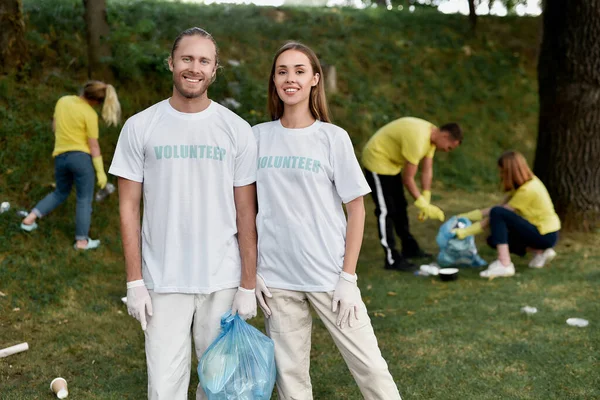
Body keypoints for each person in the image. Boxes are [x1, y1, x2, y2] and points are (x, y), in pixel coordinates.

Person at [108, 27, 258, 400]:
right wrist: (134, 282)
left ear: (215, 69)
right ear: (171, 63)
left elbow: (246, 212)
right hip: (162, 281)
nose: (195, 67)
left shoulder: (236, 130)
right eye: (187, 58)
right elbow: (128, 206)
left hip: (221, 279)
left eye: (204, 60)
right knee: (163, 389)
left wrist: (248, 284)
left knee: (220, 388)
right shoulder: (140, 126)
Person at [253, 41, 402, 400]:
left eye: (299, 71)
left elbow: (357, 209)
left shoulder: (333, 138)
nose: (290, 79)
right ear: (274, 80)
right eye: (282, 71)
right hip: (276, 279)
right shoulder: (256, 137)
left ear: (315, 79)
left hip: (329, 276)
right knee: (290, 379)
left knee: (370, 367)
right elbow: (245, 208)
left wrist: (347, 277)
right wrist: (252, 270)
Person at [20, 81, 121, 250]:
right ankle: (82, 241)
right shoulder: (89, 114)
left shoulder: (63, 101)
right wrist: (101, 173)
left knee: (60, 192)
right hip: (81, 159)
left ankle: (29, 219)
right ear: (97, 102)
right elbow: (94, 146)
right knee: (84, 199)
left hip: (61, 157)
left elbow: (55, 126)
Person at [361, 117, 463, 272]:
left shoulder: (432, 135)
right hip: (377, 160)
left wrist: (426, 196)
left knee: (400, 206)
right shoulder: (418, 139)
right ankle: (392, 258)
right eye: (449, 147)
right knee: (386, 210)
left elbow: (427, 169)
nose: (447, 151)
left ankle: (409, 248)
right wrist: (422, 203)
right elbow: (408, 179)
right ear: (445, 136)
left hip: (392, 164)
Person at [454, 151, 561, 278]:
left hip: (545, 234)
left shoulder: (528, 190)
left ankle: (504, 264)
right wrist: (468, 215)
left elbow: (497, 214)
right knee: (493, 239)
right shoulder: (527, 183)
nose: (500, 175)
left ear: (510, 172)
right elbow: (499, 208)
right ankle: (540, 252)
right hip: (545, 233)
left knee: (498, 215)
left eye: (502, 172)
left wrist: (467, 231)